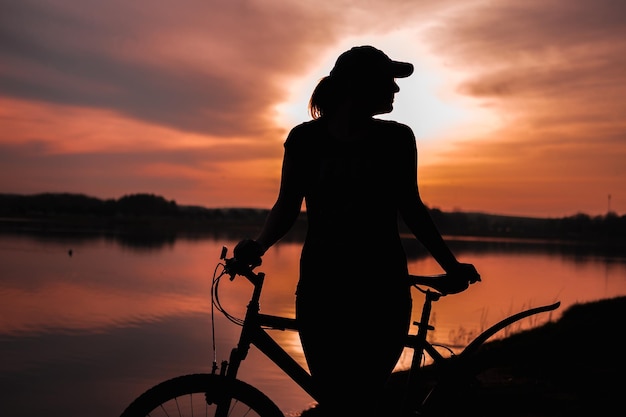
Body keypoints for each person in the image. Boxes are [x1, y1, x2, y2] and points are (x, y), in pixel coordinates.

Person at [234, 45, 481, 417]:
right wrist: (258, 245)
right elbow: (287, 206)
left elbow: (411, 208)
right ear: (358, 86)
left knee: (361, 401)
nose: (396, 90)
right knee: (336, 401)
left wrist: (452, 265)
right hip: (322, 289)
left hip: (381, 290)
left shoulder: (397, 139)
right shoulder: (304, 140)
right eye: (388, 81)